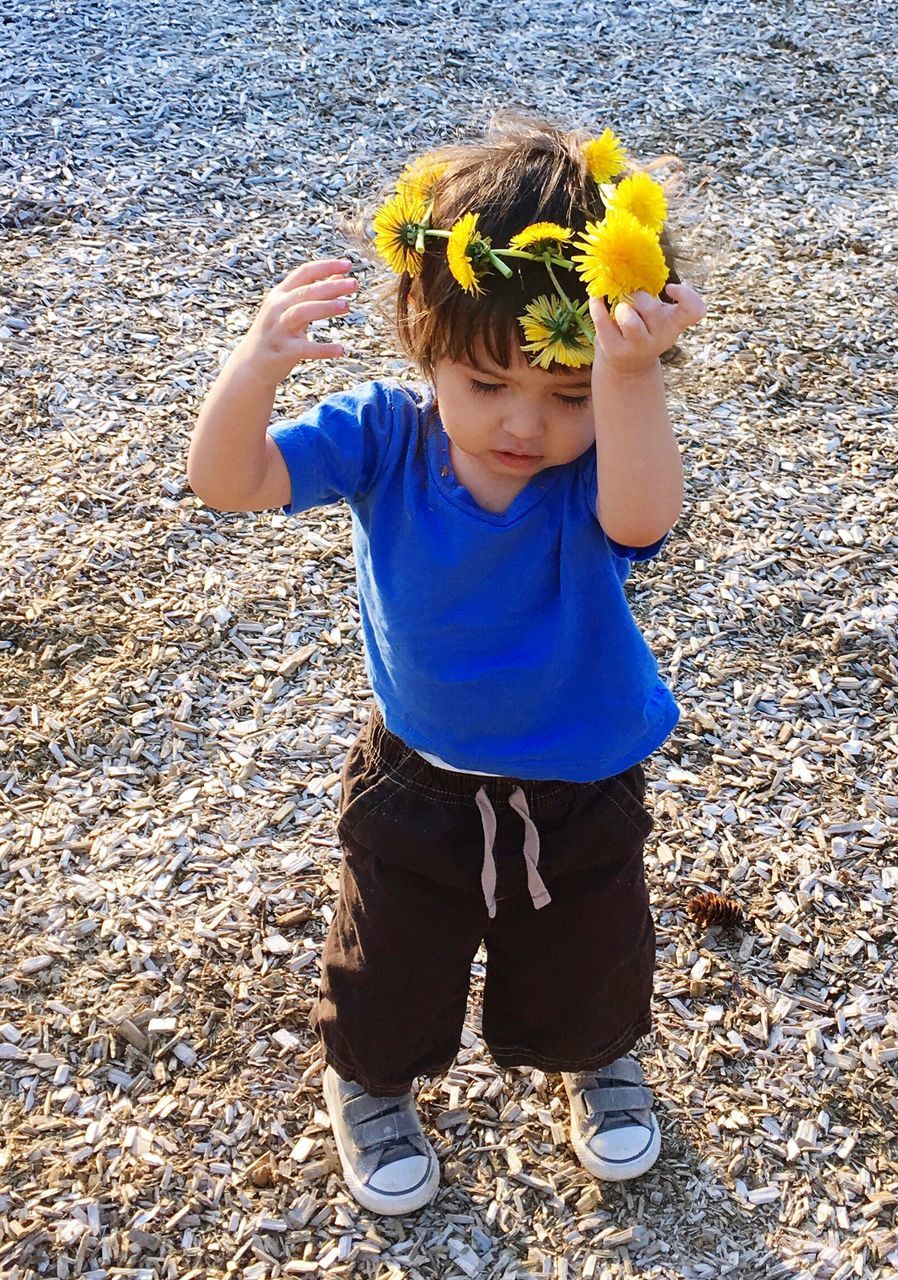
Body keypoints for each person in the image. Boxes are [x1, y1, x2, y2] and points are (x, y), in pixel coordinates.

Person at [187, 114, 706, 1217]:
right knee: (391, 955)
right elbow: (230, 482)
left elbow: (645, 512)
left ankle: (598, 1053)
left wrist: (624, 375)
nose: (525, 424)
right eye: (486, 383)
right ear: (422, 335)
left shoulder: (600, 462)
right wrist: (254, 363)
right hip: (417, 771)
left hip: (582, 774)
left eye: (565, 394)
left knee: (589, 946)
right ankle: (368, 1079)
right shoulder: (384, 434)